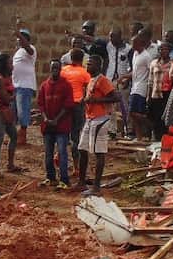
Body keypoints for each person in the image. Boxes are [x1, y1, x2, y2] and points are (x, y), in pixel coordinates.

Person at [78, 54, 119, 196]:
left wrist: (96, 101)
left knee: (99, 152)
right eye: (87, 64)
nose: (88, 66)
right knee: (82, 149)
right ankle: (81, 182)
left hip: (100, 119)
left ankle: (96, 187)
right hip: (90, 118)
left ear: (98, 66)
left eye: (91, 64)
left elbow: (116, 97)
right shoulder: (91, 80)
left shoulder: (102, 81)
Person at [38, 59, 74, 188]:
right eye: (53, 68)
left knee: (62, 152)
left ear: (60, 69)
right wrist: (46, 118)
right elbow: (41, 104)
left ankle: (64, 179)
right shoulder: (44, 85)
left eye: (57, 68)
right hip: (48, 126)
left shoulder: (66, 85)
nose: (55, 70)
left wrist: (57, 119)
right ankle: (50, 177)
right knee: (48, 153)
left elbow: (68, 105)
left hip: (62, 126)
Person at [60, 43, 91, 174]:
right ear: (82, 58)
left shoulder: (64, 71)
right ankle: (76, 167)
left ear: (71, 58)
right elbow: (89, 88)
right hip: (77, 105)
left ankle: (59, 158)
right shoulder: (84, 73)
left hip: (64, 106)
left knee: (63, 134)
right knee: (76, 136)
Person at [0, 52, 20, 174]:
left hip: (4, 109)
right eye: (10, 62)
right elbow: (6, 98)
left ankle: (10, 164)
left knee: (13, 136)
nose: (12, 64)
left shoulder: (7, 77)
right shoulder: (0, 79)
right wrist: (14, 95)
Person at [11, 28, 37, 145]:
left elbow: (29, 50)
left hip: (25, 85)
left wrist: (19, 35)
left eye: (21, 38)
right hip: (16, 86)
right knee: (14, 112)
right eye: (18, 38)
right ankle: (15, 136)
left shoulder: (31, 49)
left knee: (23, 111)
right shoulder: (18, 51)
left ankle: (23, 136)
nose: (18, 40)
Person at [128, 28, 153, 140]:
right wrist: (124, 77)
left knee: (134, 113)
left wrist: (149, 90)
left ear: (139, 43)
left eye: (133, 43)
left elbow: (151, 72)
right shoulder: (135, 54)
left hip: (142, 88)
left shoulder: (146, 56)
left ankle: (152, 126)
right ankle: (139, 138)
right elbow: (135, 71)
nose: (131, 45)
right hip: (134, 86)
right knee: (133, 115)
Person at [148, 35, 173, 139]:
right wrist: (148, 96)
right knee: (155, 117)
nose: (163, 51)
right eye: (161, 49)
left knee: (166, 117)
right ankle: (157, 137)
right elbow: (150, 82)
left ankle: (166, 138)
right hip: (156, 93)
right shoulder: (154, 63)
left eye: (166, 49)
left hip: (168, 94)